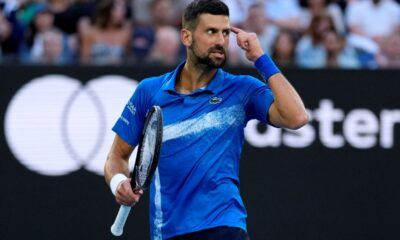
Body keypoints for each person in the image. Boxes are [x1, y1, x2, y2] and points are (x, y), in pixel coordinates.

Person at [104, 0, 308, 239]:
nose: (221, 40)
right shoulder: (149, 91)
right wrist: (118, 182)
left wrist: (260, 58)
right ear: (186, 37)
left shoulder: (242, 89)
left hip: (224, 225)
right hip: (167, 231)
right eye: (211, 32)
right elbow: (116, 157)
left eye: (225, 32)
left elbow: (297, 117)